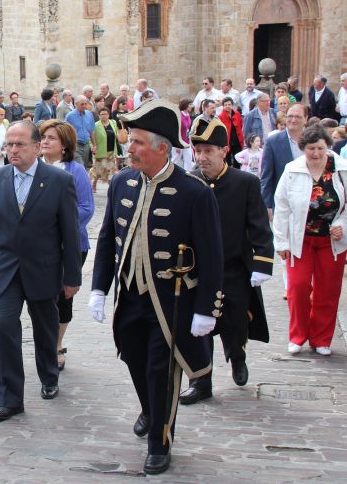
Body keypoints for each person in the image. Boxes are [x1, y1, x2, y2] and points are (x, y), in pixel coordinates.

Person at [88, 99, 223, 475]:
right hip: (130, 295)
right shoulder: (121, 182)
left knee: (161, 371)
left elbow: (212, 255)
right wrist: (99, 289)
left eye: (137, 142)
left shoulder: (194, 191)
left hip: (171, 300)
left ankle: (159, 443)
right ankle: (150, 408)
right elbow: (106, 239)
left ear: (163, 148)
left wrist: (205, 309)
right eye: (130, 141)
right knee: (131, 356)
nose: (128, 148)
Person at [0, 120, 81, 421]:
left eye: (19, 144)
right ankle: (10, 399)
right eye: (8, 144)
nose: (12, 150)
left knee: (45, 330)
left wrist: (72, 276)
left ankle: (49, 375)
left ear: (36, 147)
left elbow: (69, 233)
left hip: (44, 270)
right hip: (6, 270)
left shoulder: (58, 181)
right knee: (2, 328)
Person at [179, 118, 273, 405]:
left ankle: (237, 355)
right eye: (198, 150)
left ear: (225, 150)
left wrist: (262, 263)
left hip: (233, 267)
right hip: (199, 270)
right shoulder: (189, 181)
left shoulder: (245, 182)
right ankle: (201, 381)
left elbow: (258, 225)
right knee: (199, 328)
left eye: (209, 150)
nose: (202, 157)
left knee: (235, 323)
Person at [273, 125, 347, 356]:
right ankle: (297, 336)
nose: (315, 154)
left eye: (320, 149)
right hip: (300, 240)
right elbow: (282, 207)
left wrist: (342, 226)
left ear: (328, 147)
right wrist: (281, 243)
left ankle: (321, 338)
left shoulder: (342, 170)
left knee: (328, 290)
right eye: (311, 149)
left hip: (331, 242)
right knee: (298, 287)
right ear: (303, 148)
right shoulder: (292, 170)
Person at [38, 119, 93, 370]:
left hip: (69, 245)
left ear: (64, 145)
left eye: (51, 138)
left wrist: (57, 226)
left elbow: (86, 208)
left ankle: (57, 343)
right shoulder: (33, 168)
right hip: (39, 247)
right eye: (43, 137)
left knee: (62, 296)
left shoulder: (74, 170)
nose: (45, 142)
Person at [90, 107, 119, 190]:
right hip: (101, 151)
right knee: (99, 170)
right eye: (102, 114)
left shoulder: (113, 122)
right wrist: (93, 147)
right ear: (99, 115)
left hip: (111, 151)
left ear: (108, 114)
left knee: (110, 169)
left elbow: (116, 133)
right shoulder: (96, 125)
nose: (104, 116)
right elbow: (91, 138)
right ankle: (94, 183)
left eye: (105, 114)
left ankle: (111, 187)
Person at [65, 95, 97, 167]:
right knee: (80, 166)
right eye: (82, 104)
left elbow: (92, 131)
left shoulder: (89, 114)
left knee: (84, 166)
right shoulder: (70, 116)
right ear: (76, 104)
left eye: (85, 104)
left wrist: (94, 145)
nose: (84, 106)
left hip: (86, 145)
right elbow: (65, 132)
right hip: (76, 145)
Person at [218, 97, 244, 168]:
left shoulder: (237, 114)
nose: (227, 106)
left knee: (237, 159)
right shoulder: (220, 117)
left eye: (229, 104)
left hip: (237, 140)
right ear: (223, 106)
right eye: (225, 105)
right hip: (227, 141)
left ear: (232, 105)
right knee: (227, 160)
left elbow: (241, 125)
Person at [171, 99, 194, 170]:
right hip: (179, 142)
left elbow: (187, 129)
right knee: (175, 160)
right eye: (190, 104)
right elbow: (175, 130)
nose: (191, 106)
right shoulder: (179, 115)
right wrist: (176, 144)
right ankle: (170, 174)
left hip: (186, 142)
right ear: (186, 105)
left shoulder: (188, 115)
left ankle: (188, 176)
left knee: (189, 160)